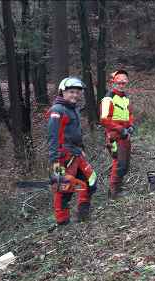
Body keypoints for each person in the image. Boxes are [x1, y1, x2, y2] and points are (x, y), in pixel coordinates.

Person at [47, 77, 97, 225]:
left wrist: (81, 149)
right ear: (62, 92)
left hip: (76, 153)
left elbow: (75, 133)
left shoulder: (72, 108)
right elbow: (53, 137)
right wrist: (56, 162)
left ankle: (83, 215)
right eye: (71, 92)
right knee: (63, 189)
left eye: (77, 92)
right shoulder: (57, 110)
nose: (75, 95)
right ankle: (62, 222)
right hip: (64, 157)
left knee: (90, 181)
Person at [100, 70, 134, 199]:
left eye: (123, 83)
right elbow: (104, 119)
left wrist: (131, 125)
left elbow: (129, 114)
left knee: (125, 164)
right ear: (113, 83)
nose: (121, 85)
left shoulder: (125, 98)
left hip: (125, 135)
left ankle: (118, 188)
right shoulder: (108, 99)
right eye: (119, 83)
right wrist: (120, 129)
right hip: (114, 136)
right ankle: (114, 192)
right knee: (119, 163)